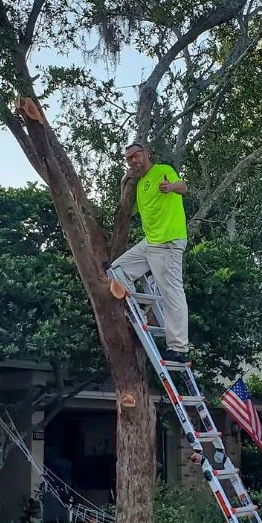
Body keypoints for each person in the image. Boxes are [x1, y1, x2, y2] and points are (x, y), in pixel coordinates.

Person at [110, 142, 190, 364]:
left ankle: (179, 348)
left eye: (135, 155)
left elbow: (183, 187)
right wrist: (123, 183)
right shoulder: (141, 184)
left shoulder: (162, 171)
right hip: (150, 243)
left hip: (168, 241)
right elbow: (127, 208)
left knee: (171, 293)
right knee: (116, 270)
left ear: (146, 154)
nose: (132, 160)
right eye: (128, 159)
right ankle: (140, 312)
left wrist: (172, 187)